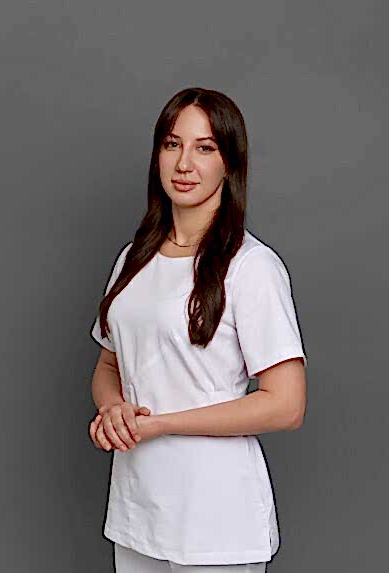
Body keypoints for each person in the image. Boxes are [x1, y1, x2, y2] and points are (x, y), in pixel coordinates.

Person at [88, 87, 308, 572]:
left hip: (216, 517)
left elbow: (286, 404)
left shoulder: (251, 266)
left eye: (204, 148)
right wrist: (113, 408)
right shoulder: (133, 258)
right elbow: (109, 364)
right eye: (173, 144)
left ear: (229, 164)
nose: (184, 163)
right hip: (137, 509)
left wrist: (161, 424)